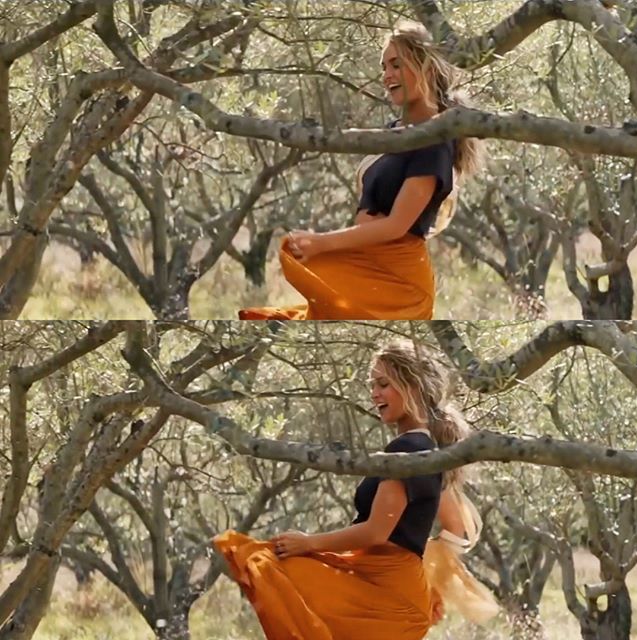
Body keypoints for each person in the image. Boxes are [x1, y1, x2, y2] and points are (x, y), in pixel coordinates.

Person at [213, 341, 499, 639]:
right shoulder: (431, 452)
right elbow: (455, 529)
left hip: (383, 594)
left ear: (412, 386)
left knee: (266, 561)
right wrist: (426, 578)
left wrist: (309, 543)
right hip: (397, 592)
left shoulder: (405, 450)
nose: (374, 393)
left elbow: (376, 532)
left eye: (383, 384)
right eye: (372, 384)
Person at [239, 20, 484, 320]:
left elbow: (395, 226)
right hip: (368, 263)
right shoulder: (393, 131)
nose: (387, 75)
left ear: (427, 67)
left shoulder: (434, 141)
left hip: (399, 284)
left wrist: (322, 243)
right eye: (384, 67)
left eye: (396, 65)